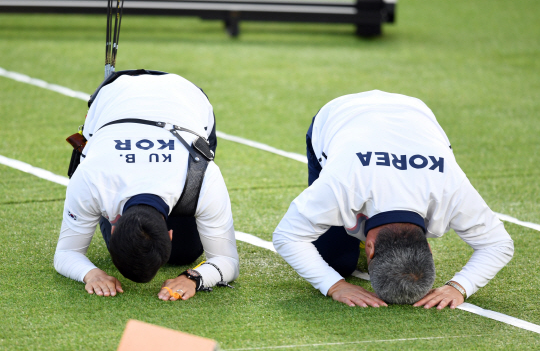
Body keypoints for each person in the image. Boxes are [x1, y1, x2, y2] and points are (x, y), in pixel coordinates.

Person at [273, 90, 514, 309]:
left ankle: (354, 238)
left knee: (333, 259)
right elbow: (287, 235)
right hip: (340, 114)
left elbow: (499, 245)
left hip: (414, 113)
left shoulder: (451, 189)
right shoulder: (340, 184)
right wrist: (334, 284)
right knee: (336, 264)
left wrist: (460, 286)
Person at [54, 71, 239, 301]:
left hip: (187, 96)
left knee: (186, 252)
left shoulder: (202, 176)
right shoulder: (90, 176)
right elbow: (65, 253)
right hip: (113, 100)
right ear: (168, 234)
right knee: (175, 248)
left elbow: (229, 261)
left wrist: (193, 276)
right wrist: (90, 273)